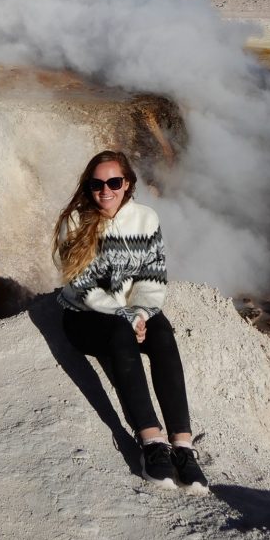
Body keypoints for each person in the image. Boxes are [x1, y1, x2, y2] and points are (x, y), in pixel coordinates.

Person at [54, 149, 208, 494]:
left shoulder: (147, 219)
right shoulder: (75, 223)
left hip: (129, 311)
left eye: (113, 182)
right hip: (84, 316)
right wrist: (125, 317)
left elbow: (152, 276)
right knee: (121, 333)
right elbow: (84, 286)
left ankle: (182, 445)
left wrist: (140, 313)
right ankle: (151, 442)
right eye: (96, 184)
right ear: (88, 186)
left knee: (163, 332)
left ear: (127, 185)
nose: (104, 190)